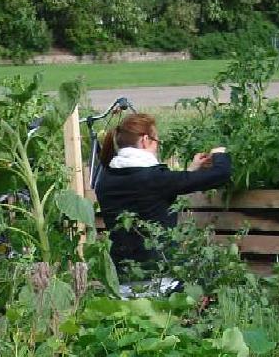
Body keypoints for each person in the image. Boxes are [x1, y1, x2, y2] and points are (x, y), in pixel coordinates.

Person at [94, 113, 231, 277]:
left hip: (120, 274)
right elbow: (220, 174)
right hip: (158, 275)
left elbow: (151, 191)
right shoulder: (155, 179)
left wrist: (191, 171)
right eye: (157, 142)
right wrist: (219, 154)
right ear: (145, 140)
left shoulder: (105, 180)